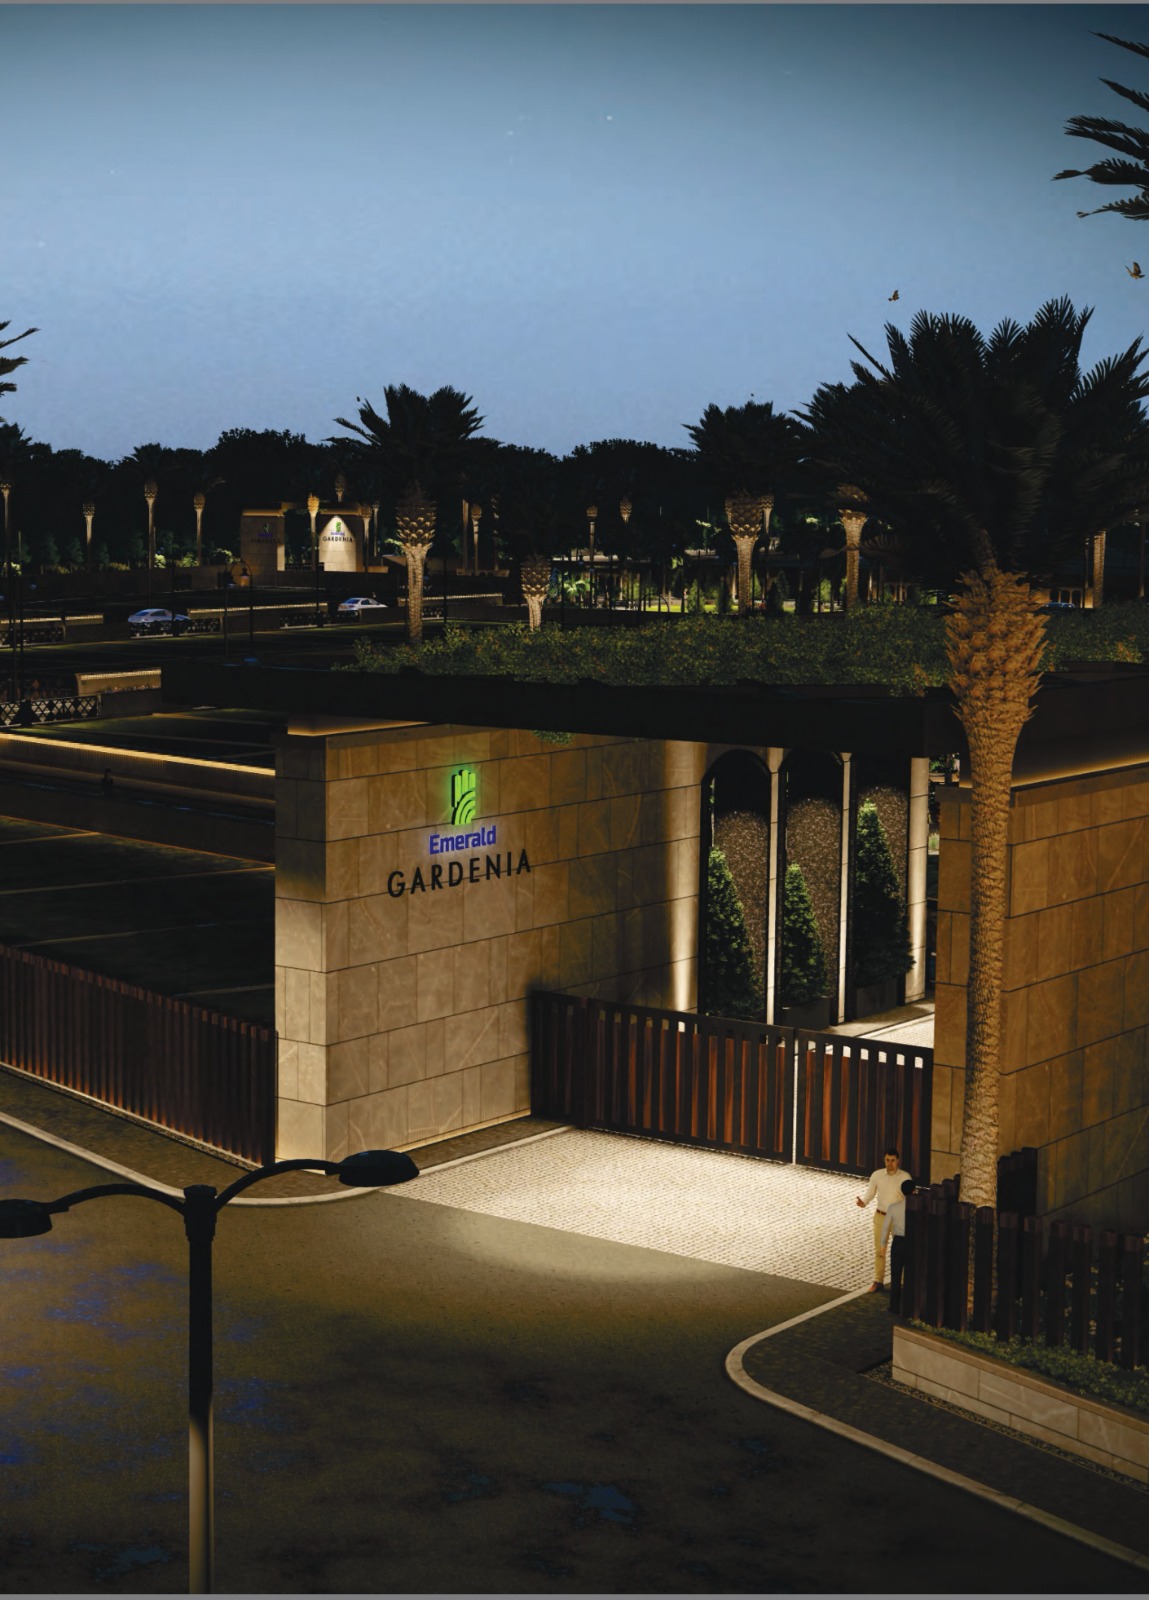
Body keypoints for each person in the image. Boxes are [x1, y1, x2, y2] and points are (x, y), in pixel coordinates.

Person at [856, 1146, 911, 1291]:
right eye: (887, 1160)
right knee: (879, 1250)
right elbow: (870, 1193)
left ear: (898, 1161)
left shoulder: (905, 1177)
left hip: (898, 1219)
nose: (889, 1163)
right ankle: (878, 1280)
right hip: (881, 1216)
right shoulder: (877, 1175)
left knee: (901, 1251)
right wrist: (864, 1202)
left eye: (892, 1160)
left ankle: (903, 1283)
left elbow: (910, 1197)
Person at [880, 1177, 916, 1314]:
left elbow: (885, 1227)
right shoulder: (917, 1209)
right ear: (914, 1191)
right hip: (911, 1242)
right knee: (910, 1276)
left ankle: (894, 1306)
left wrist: (883, 1244)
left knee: (895, 1275)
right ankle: (909, 1308)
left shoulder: (893, 1207)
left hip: (898, 1242)